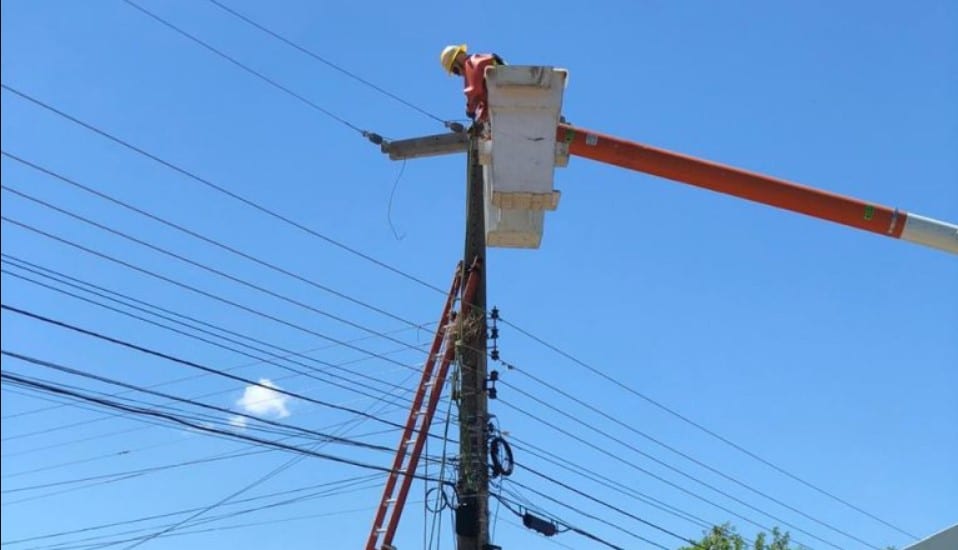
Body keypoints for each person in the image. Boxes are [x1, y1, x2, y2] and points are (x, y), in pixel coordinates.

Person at [439, 44, 505, 124]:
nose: (459, 74)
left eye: (455, 71)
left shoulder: (472, 63)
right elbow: (484, 97)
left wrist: (470, 110)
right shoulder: (478, 60)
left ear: (458, 59)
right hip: (502, 97)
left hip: (503, 98)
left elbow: (473, 92)